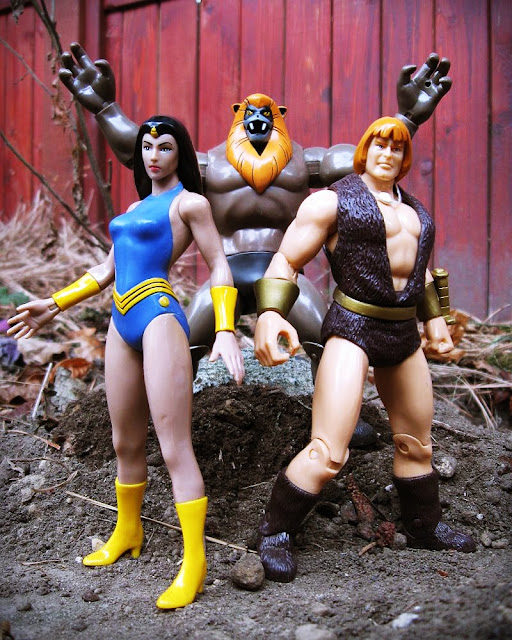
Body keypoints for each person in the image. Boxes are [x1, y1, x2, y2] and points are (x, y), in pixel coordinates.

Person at [58, 46, 452, 448]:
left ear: (281, 116)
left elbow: (371, 160)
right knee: (182, 341)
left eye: (268, 113)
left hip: (281, 275)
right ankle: (161, 419)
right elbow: (141, 151)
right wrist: (105, 109)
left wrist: (406, 119)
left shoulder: (304, 162)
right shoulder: (209, 165)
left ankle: (339, 420)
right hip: (225, 275)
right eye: (248, 112)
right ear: (235, 115)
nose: (258, 119)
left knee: (327, 336)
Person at [7, 115, 244, 609]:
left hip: (158, 315)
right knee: (124, 440)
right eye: (147, 147)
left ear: (180, 153)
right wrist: (55, 303)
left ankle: (194, 563)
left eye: (165, 146)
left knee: (174, 446)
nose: (154, 155)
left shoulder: (190, 203)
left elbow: (220, 264)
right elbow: (106, 269)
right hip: (120, 318)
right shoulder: (136, 207)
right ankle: (128, 530)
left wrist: (225, 327)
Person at [253, 116, 476, 583]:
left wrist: (435, 321)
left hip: (402, 332)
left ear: (406, 157)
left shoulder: (416, 213)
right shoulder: (332, 202)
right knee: (328, 450)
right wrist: (270, 314)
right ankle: (275, 532)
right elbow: (287, 259)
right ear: (364, 150)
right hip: (354, 325)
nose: (387, 154)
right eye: (379, 144)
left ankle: (424, 525)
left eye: (397, 148)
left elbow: (419, 274)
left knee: (416, 442)